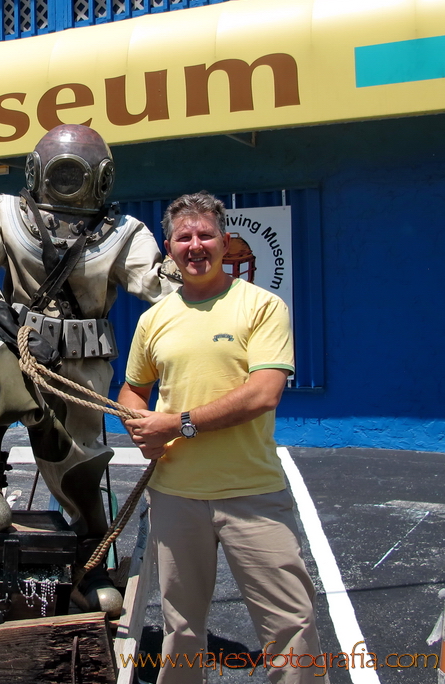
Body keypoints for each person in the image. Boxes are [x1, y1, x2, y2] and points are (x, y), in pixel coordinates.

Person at [0, 124, 175, 611]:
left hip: (85, 366)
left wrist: (191, 270)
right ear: (37, 172)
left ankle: (89, 558)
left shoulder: (122, 233)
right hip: (22, 344)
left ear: (102, 179)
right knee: (3, 374)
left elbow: (157, 285)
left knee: (82, 460)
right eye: (62, 171)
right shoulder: (6, 213)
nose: (68, 181)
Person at [118, 192, 322, 683]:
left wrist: (178, 423)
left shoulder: (263, 307)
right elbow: (131, 389)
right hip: (175, 496)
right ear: (168, 247)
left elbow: (263, 394)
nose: (195, 246)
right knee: (181, 629)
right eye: (184, 237)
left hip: (251, 493)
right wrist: (139, 424)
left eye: (205, 234)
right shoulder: (154, 319)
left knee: (290, 627)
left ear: (225, 242)